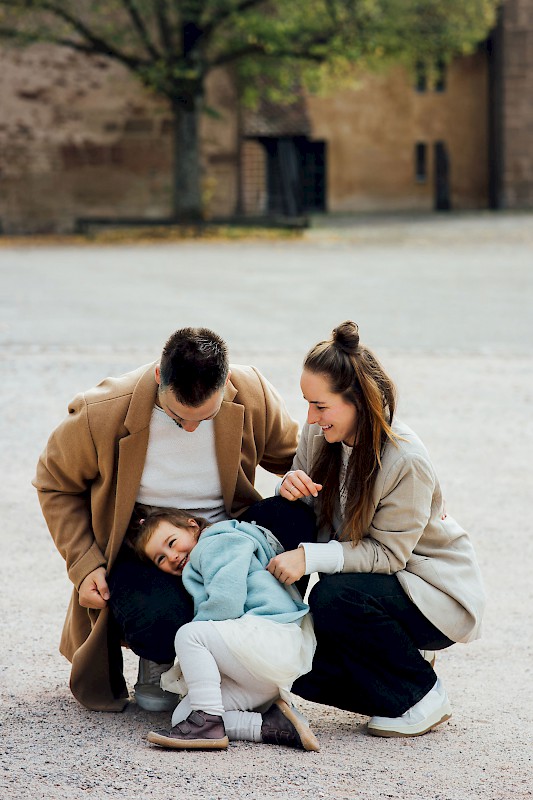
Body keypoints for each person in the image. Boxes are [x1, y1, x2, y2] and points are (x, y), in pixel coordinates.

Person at [33, 327, 315, 713]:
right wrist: (84, 565)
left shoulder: (251, 391)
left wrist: (295, 478)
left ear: (226, 383)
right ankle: (162, 658)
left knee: (296, 516)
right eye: (178, 417)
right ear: (157, 377)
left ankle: (261, 640)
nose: (191, 428)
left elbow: (294, 456)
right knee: (158, 621)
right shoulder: (101, 411)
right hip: (148, 550)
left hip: (225, 537)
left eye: (206, 416)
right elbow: (54, 483)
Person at [264, 321, 486, 738]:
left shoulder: (406, 460)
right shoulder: (318, 432)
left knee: (334, 597)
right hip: (377, 581)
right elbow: (305, 508)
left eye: (320, 406)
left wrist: (309, 557)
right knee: (296, 667)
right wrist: (288, 487)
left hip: (429, 590)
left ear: (357, 400)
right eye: (307, 404)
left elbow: (388, 555)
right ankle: (398, 665)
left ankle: (421, 695)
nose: (310, 417)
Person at [126, 506, 319, 751]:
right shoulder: (207, 554)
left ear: (192, 526)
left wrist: (192, 654)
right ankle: (271, 724)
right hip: (257, 671)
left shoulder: (215, 542)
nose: (172, 556)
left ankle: (206, 724)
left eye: (172, 542)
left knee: (189, 635)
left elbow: (226, 602)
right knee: (183, 716)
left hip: (269, 640)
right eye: (161, 558)